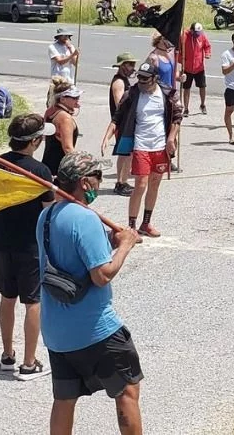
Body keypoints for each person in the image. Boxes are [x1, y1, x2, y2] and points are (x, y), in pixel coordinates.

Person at [39, 153, 142, 435]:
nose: (100, 182)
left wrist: (110, 239)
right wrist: (126, 245)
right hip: (95, 330)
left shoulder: (46, 217)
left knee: (64, 398)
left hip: (58, 333)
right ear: (85, 183)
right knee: (127, 391)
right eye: (98, 177)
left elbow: (73, 253)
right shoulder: (85, 219)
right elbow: (102, 275)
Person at [0, 114, 56, 381]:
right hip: (29, 247)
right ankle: (29, 363)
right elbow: (48, 209)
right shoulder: (39, 172)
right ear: (35, 141)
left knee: (7, 298)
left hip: (2, 242)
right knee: (33, 302)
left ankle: (7, 355)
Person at [101, 62, 181, 238]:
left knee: (154, 184)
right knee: (141, 184)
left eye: (146, 79)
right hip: (141, 145)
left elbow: (177, 117)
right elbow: (117, 117)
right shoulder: (133, 94)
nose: (142, 82)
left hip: (160, 147)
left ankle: (146, 223)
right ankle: (131, 226)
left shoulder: (167, 94)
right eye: (139, 78)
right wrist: (107, 137)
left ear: (155, 78)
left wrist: (171, 138)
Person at [107, 53, 138, 196]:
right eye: (130, 64)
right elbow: (120, 104)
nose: (133, 68)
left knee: (126, 154)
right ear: (122, 65)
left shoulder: (123, 80)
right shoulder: (119, 82)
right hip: (123, 123)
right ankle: (121, 182)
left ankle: (122, 181)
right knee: (126, 154)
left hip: (126, 123)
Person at [43, 78, 82, 177]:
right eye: (74, 97)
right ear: (62, 99)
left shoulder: (50, 111)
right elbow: (68, 148)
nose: (78, 99)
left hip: (47, 163)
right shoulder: (65, 118)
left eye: (78, 96)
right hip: (60, 169)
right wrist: (80, 167)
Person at [180, 22, 212, 115]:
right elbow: (179, 49)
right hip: (187, 68)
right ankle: (186, 108)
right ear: (191, 31)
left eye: (199, 33)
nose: (198, 35)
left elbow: (207, 46)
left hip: (199, 67)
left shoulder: (202, 36)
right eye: (196, 33)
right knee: (186, 88)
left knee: (202, 86)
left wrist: (207, 53)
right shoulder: (184, 36)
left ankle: (202, 104)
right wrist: (181, 60)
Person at [48, 28, 80, 104]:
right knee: (56, 100)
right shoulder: (53, 47)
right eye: (64, 36)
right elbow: (60, 61)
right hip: (58, 79)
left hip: (69, 79)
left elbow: (75, 64)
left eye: (67, 36)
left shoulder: (70, 47)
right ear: (59, 37)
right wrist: (72, 55)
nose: (66, 38)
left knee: (70, 100)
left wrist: (71, 50)